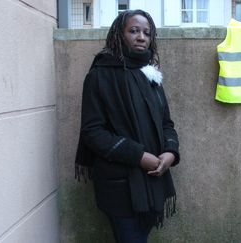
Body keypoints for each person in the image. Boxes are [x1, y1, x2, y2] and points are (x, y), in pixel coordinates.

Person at [75, 9, 180, 243]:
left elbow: (166, 123)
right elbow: (93, 133)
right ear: (118, 35)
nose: (142, 37)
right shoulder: (100, 75)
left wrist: (170, 153)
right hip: (119, 185)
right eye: (133, 31)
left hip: (154, 180)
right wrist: (140, 156)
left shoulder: (150, 75)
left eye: (147, 32)